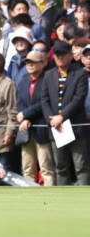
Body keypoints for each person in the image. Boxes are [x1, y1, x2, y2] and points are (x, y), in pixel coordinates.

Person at [40, 40, 90, 185]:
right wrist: (51, 119)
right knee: (60, 167)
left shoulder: (80, 73)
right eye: (57, 55)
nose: (60, 58)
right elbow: (44, 99)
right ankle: (62, 200)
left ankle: (85, 199)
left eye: (63, 55)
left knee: (81, 166)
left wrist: (61, 116)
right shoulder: (49, 75)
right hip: (56, 127)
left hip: (75, 126)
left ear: (70, 55)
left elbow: (78, 98)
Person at [16, 50, 55, 185]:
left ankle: (51, 198)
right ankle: (29, 200)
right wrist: (24, 117)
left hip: (42, 128)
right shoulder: (23, 81)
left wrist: (26, 115)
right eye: (27, 62)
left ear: (43, 63)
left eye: (33, 62)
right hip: (26, 130)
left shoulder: (48, 79)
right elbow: (20, 102)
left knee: (46, 168)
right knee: (27, 168)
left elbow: (44, 102)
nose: (29, 65)